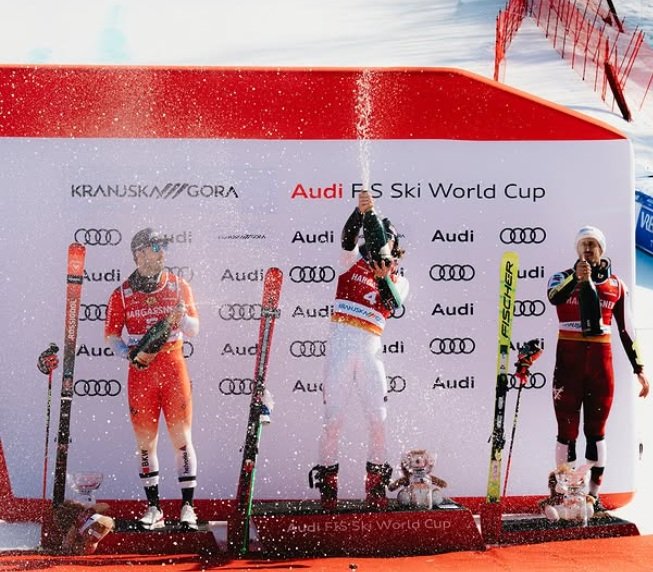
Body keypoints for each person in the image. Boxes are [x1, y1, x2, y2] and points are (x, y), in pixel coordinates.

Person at [309, 191, 409, 510]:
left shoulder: (399, 278)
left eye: (387, 242)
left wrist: (381, 279)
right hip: (341, 350)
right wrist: (360, 211)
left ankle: (375, 488)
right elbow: (347, 237)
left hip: (369, 352)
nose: (381, 246)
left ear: (394, 246)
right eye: (378, 239)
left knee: (378, 420)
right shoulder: (350, 261)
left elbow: (393, 302)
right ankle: (328, 488)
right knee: (333, 421)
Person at [546, 225, 649, 511]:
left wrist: (639, 368)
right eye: (584, 244)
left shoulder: (616, 285)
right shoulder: (561, 278)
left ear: (601, 249)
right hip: (568, 366)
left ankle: (593, 495)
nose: (588, 249)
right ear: (577, 249)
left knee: (597, 432)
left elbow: (627, 329)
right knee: (566, 431)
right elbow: (554, 297)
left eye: (593, 244)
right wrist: (576, 279)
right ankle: (563, 494)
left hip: (601, 368)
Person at [105, 228, 200, 530]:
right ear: (140, 254)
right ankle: (154, 509)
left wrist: (181, 317)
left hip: (173, 367)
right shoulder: (121, 294)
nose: (162, 253)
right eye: (156, 247)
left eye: (163, 247)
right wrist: (128, 355)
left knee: (182, 440)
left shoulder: (178, 285)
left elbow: (194, 329)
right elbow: (111, 336)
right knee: (145, 444)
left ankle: (187, 507)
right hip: (141, 373)